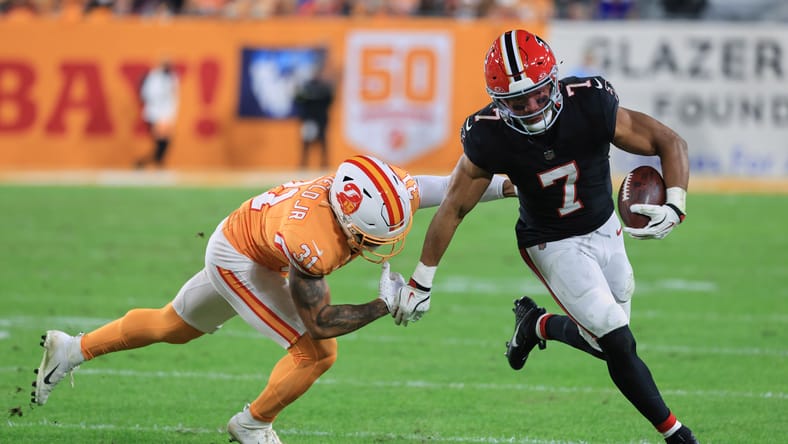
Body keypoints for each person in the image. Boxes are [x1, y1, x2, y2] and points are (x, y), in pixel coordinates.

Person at [32, 155, 516, 444]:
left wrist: (515, 186)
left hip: (249, 235)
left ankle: (71, 349)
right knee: (316, 351)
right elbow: (322, 322)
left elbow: (453, 187)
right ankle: (252, 424)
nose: (376, 247)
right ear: (348, 222)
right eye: (369, 238)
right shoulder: (313, 240)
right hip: (242, 258)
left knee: (172, 327)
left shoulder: (381, 193)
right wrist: (383, 305)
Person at [390, 29, 698, 444]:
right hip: (550, 242)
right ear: (499, 104)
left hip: (607, 228)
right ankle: (678, 435)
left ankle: (537, 325)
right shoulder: (488, 133)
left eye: (538, 95)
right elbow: (454, 205)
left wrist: (675, 205)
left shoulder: (589, 100)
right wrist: (420, 280)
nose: (532, 109)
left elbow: (668, 140)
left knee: (609, 343)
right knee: (618, 341)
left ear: (554, 80)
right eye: (519, 103)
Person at [135, 59, 179, 169]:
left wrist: (171, 116)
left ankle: (145, 163)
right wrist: (159, 117)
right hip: (155, 114)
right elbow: (147, 95)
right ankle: (155, 163)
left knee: (165, 142)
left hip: (167, 115)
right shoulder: (153, 78)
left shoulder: (172, 78)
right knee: (160, 141)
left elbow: (174, 99)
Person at [293, 63, 335, 170]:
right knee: (306, 142)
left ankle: (324, 163)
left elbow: (329, 100)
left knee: (322, 142)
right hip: (309, 119)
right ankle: (304, 164)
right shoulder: (306, 87)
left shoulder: (324, 87)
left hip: (321, 119)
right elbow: (298, 100)